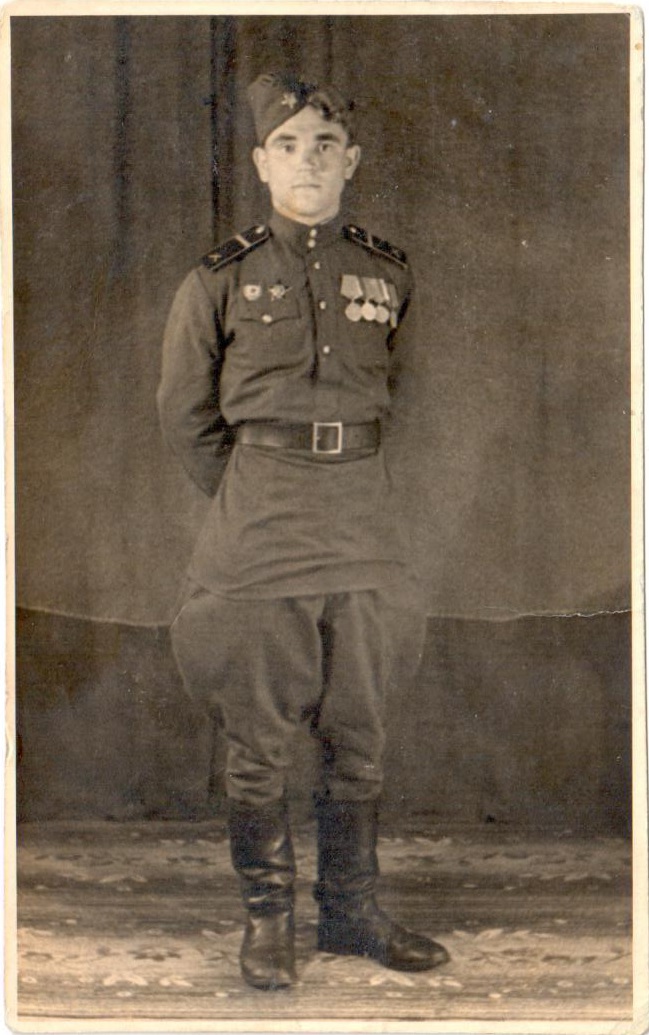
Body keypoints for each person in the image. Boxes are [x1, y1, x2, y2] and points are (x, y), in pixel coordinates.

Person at [158, 71, 449, 991]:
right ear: (260, 164)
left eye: (325, 146)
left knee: (359, 732)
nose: (307, 162)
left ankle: (352, 914)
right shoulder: (218, 280)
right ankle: (268, 920)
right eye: (287, 147)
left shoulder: (388, 273)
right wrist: (254, 494)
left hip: (363, 526)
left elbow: (416, 402)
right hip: (261, 527)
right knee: (258, 739)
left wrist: (359, 495)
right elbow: (186, 417)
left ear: (350, 161)